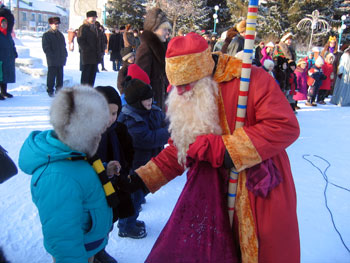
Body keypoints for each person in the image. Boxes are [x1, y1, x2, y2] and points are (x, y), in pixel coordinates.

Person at [133, 32, 300, 262]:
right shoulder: (184, 94)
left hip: (258, 194)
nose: (179, 92)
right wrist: (139, 182)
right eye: (175, 85)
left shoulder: (249, 80)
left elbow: (285, 126)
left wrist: (224, 149)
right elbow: (180, 149)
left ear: (203, 73)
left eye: (186, 84)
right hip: (212, 196)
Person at [18, 86, 114, 263]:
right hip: (77, 251)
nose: (101, 137)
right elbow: (63, 238)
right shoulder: (57, 177)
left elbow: (81, 178)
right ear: (82, 134)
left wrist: (105, 169)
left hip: (88, 244)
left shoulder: (73, 154)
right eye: (97, 133)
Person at [117, 64, 170, 239]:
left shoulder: (152, 110)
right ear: (136, 101)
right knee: (134, 200)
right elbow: (147, 138)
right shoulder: (129, 119)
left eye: (151, 98)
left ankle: (131, 219)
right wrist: (170, 132)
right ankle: (126, 226)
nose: (150, 101)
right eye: (147, 100)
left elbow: (164, 121)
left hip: (148, 164)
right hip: (135, 168)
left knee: (141, 195)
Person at [94, 85, 135, 263]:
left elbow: (128, 153)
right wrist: (105, 170)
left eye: (114, 113)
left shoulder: (119, 131)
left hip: (114, 187)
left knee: (108, 223)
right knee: (94, 225)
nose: (110, 119)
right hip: (94, 191)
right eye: (106, 113)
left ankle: (101, 250)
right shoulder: (87, 135)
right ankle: (93, 253)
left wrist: (122, 170)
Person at [135, 7, 171, 111]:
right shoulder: (146, 47)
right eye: (164, 29)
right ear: (154, 29)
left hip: (162, 102)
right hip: (151, 104)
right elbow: (141, 80)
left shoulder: (163, 47)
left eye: (168, 30)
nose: (167, 33)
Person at [42, 17, 68, 97]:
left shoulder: (60, 35)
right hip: (52, 59)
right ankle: (50, 90)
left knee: (60, 76)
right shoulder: (47, 35)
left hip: (60, 58)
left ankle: (59, 89)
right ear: (50, 24)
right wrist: (51, 55)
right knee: (51, 75)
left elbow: (63, 46)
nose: (56, 25)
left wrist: (65, 54)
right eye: (54, 24)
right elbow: (46, 47)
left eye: (57, 24)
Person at [77, 10, 100, 86]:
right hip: (87, 56)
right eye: (92, 17)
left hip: (94, 56)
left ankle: (90, 91)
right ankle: (83, 93)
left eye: (95, 17)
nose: (93, 19)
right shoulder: (83, 28)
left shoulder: (95, 28)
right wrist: (87, 49)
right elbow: (80, 40)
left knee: (92, 77)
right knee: (85, 77)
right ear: (87, 18)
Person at [0, 15, 16, 100]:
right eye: (2, 23)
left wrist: (14, 53)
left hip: (7, 58)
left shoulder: (8, 34)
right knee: (0, 76)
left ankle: (4, 91)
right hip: (0, 58)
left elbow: (12, 44)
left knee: (5, 76)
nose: (4, 24)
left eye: (5, 23)